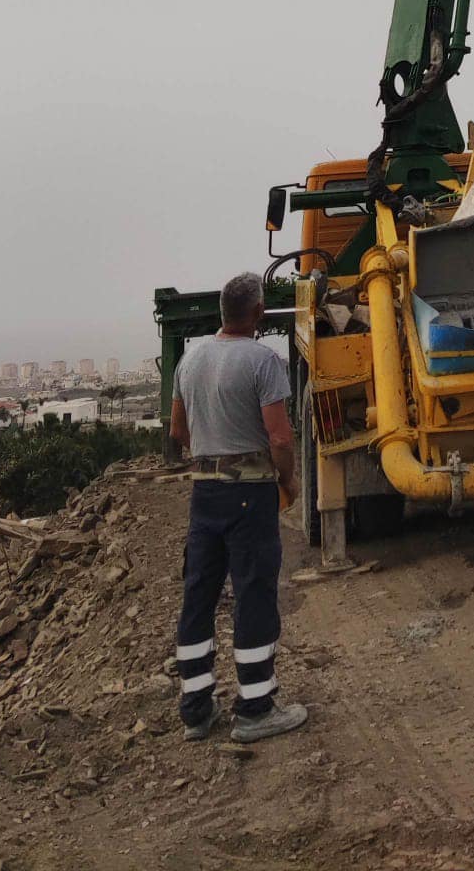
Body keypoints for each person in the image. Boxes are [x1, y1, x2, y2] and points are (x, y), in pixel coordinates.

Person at [168, 272, 308, 744]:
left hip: (204, 493)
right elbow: (280, 438)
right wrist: (287, 480)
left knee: (199, 595)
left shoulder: (190, 361)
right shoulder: (263, 361)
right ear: (259, 313)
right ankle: (255, 710)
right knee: (253, 594)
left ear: (222, 312)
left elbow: (178, 433)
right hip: (250, 495)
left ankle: (195, 711)